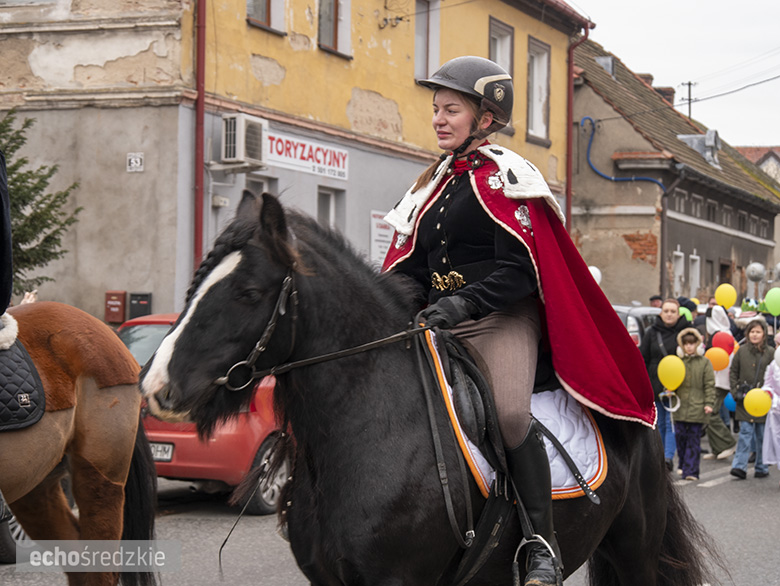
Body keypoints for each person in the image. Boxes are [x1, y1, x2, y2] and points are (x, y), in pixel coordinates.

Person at [382, 56, 656, 586]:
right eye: (436, 109)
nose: (439, 118)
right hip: (436, 324)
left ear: (485, 118)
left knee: (509, 414)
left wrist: (462, 305)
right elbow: (410, 267)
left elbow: (525, 269)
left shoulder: (509, 176)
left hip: (501, 321)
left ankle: (540, 545)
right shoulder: (430, 186)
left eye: (451, 110)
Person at [639, 298, 687, 471]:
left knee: (671, 422)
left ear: (678, 313)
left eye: (672, 311)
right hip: (655, 382)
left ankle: (667, 457)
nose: (669, 314)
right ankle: (658, 456)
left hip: (678, 384)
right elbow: (642, 358)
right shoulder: (651, 332)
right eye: (666, 311)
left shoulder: (686, 331)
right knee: (658, 422)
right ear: (661, 313)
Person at [729, 318, 773, 479]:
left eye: (758, 332)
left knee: (762, 435)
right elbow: (733, 372)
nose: (755, 335)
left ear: (764, 334)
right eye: (752, 332)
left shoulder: (770, 352)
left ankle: (762, 466)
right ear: (747, 334)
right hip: (745, 401)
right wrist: (735, 391)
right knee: (745, 434)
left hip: (763, 401)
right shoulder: (741, 351)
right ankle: (739, 466)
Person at [672, 327, 715, 480]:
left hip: (698, 407)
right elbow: (670, 381)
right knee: (680, 438)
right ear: (681, 345)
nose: (689, 346)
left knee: (694, 440)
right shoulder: (677, 362)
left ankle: (691, 471)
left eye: (692, 343)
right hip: (679, 407)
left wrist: (709, 403)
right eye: (686, 344)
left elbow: (709, 384)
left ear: (698, 344)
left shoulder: (704, 363)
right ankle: (682, 465)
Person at [702, 305, 737, 460]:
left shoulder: (722, 335)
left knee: (711, 413)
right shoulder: (721, 333)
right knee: (709, 414)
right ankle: (717, 448)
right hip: (715, 380)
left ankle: (727, 443)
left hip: (719, 381)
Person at [761, 336, 780, 486]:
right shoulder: (774, 365)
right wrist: (769, 394)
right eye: (777, 343)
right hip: (777, 409)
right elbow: (768, 384)